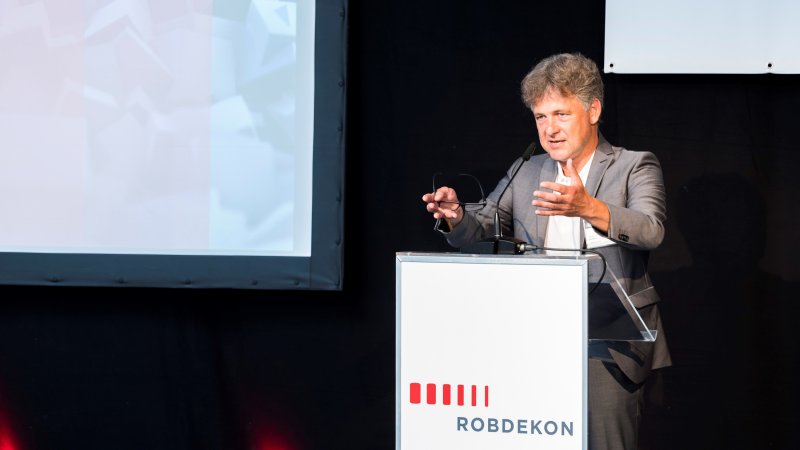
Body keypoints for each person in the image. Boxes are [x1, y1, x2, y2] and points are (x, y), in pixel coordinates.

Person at [421, 53, 671, 450]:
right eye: (540, 117)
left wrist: (587, 207)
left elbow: (651, 229)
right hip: (536, 337)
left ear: (593, 111)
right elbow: (482, 226)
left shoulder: (633, 166)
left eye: (561, 114)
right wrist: (456, 216)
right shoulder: (528, 169)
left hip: (609, 346)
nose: (549, 129)